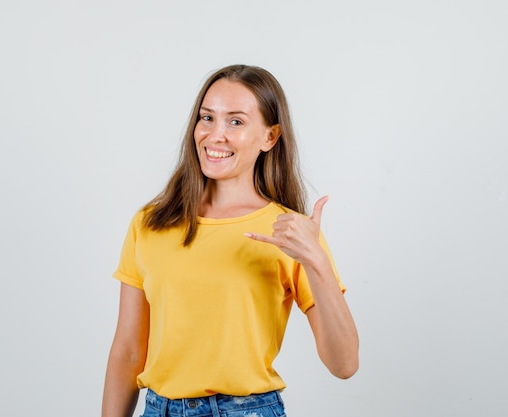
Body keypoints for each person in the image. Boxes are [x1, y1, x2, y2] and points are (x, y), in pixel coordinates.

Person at [101, 64, 359, 417]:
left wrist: (315, 260)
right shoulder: (151, 223)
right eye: (207, 118)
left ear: (270, 137)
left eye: (235, 121)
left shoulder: (290, 230)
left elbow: (344, 364)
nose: (215, 134)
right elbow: (129, 350)